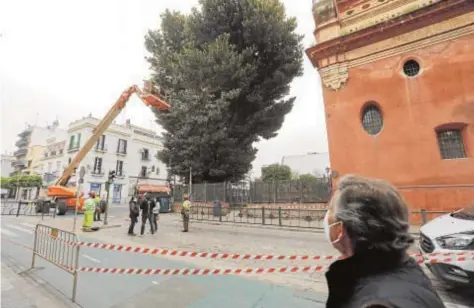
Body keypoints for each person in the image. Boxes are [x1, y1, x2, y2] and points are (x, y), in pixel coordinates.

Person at [323, 175, 445, 308]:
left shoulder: (377, 304)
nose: (327, 215)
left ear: (340, 229)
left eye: (330, 209)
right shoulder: (403, 268)